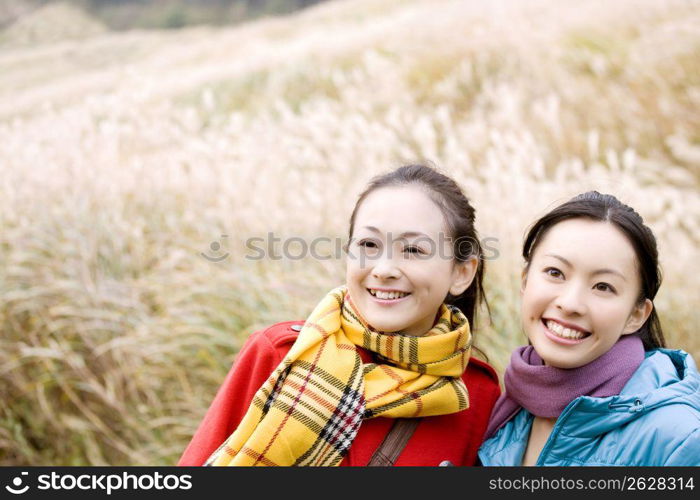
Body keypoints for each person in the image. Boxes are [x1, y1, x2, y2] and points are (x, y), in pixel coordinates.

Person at [178, 164, 501, 466]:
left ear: (461, 272)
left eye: (413, 250)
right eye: (369, 244)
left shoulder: (476, 395)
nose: (384, 269)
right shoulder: (281, 354)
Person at [478, 191, 700, 466]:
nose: (571, 303)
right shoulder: (508, 406)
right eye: (555, 273)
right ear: (525, 280)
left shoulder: (678, 439)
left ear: (636, 314)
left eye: (603, 287)